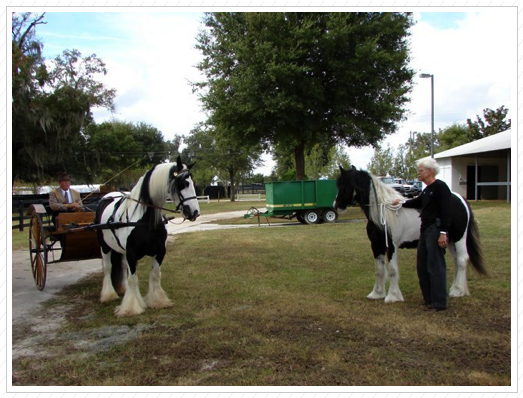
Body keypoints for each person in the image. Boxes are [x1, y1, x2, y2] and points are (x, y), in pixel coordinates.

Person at [391, 158, 452, 312]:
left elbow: (446, 211)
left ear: (430, 171)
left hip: (435, 230)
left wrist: (443, 233)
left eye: (421, 170)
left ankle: (439, 302)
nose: (418, 173)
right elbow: (418, 202)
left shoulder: (440, 187)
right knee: (422, 265)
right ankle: (428, 299)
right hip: (424, 231)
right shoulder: (426, 189)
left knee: (435, 266)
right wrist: (401, 203)